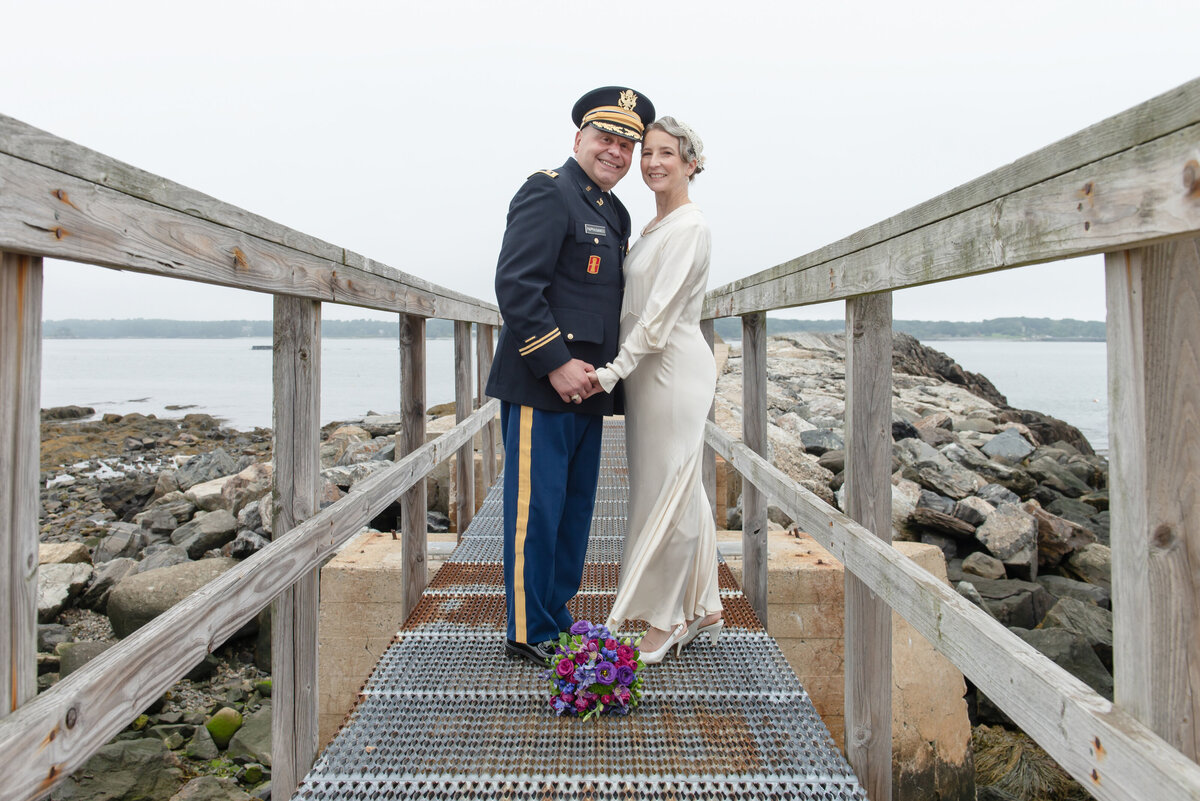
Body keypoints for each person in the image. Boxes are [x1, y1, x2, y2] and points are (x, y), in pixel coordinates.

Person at [485, 86, 655, 665]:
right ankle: (527, 629)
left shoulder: (613, 210)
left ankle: (556, 613)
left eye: (626, 144)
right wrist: (555, 362)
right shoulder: (549, 191)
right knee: (537, 510)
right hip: (545, 382)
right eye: (605, 138)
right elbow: (516, 285)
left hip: (590, 386)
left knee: (575, 509)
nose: (616, 151)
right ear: (577, 138)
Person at [589, 117, 722, 664]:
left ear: (691, 163)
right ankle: (706, 603)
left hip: (670, 370)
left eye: (666, 153)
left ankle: (667, 618)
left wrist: (611, 372)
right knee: (677, 485)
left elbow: (660, 314)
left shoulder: (690, 227)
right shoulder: (651, 226)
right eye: (647, 153)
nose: (652, 163)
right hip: (648, 373)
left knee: (666, 489)